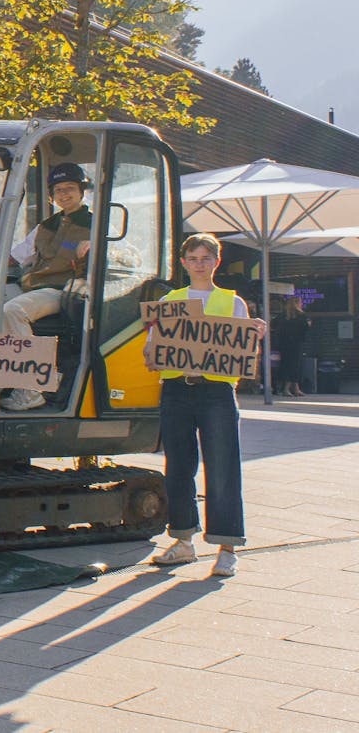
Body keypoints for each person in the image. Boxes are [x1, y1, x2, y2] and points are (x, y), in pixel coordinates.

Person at [146, 232, 261, 577]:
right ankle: (183, 541)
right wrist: (152, 352)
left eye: (206, 258)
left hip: (216, 392)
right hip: (177, 388)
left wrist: (255, 336)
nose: (199, 264)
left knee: (223, 467)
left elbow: (244, 354)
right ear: (183, 263)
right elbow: (152, 353)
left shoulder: (233, 302)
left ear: (216, 262)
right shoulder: (171, 300)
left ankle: (226, 548)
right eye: (193, 258)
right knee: (178, 467)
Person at [1, 162, 95, 411]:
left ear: (82, 191)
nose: (64, 194)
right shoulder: (46, 226)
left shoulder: (95, 224)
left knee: (13, 310)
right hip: (33, 285)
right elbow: (17, 255)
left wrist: (96, 246)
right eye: (59, 189)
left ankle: (31, 388)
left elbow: (129, 256)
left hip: (62, 290)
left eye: (70, 188)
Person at [274, 295, 312, 396]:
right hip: (297, 344)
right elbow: (306, 328)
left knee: (286, 364)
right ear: (298, 303)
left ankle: (295, 388)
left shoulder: (283, 315)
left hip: (284, 344)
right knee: (295, 365)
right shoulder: (302, 316)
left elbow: (274, 325)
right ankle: (287, 389)